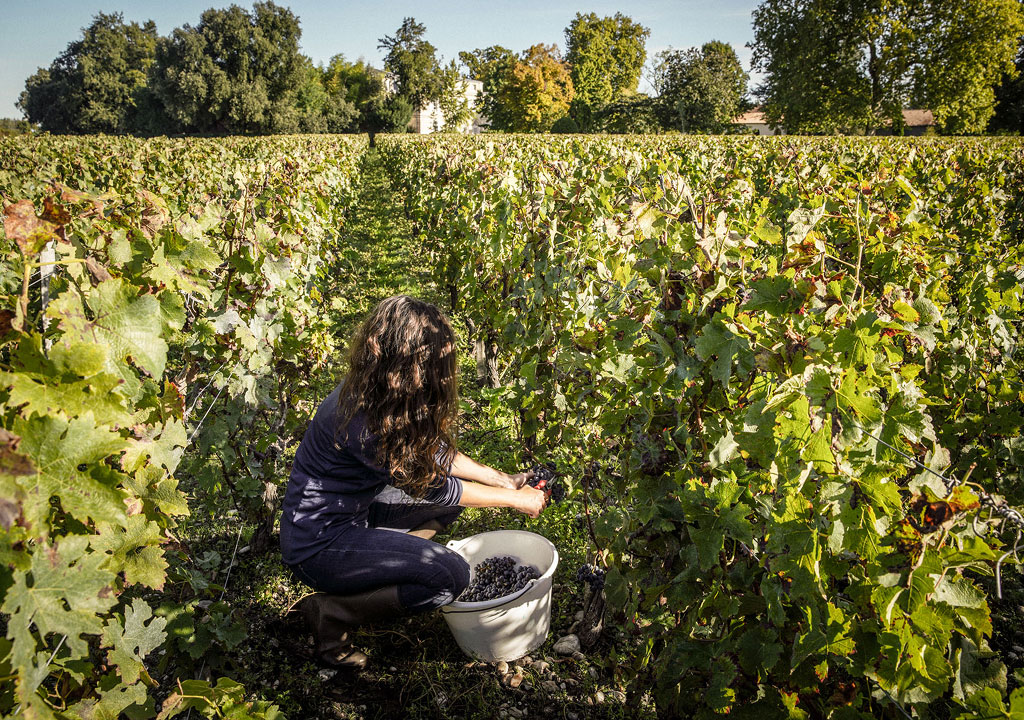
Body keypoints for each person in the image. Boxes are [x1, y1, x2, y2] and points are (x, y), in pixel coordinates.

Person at [280, 295, 547, 669]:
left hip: (352, 514)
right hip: (319, 545)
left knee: (448, 510)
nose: (447, 375)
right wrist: (518, 501)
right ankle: (333, 612)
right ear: (412, 366)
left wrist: (503, 480)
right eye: (440, 364)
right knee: (449, 577)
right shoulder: (363, 423)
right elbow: (435, 485)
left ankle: (385, 563)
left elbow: (427, 450)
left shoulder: (378, 394)